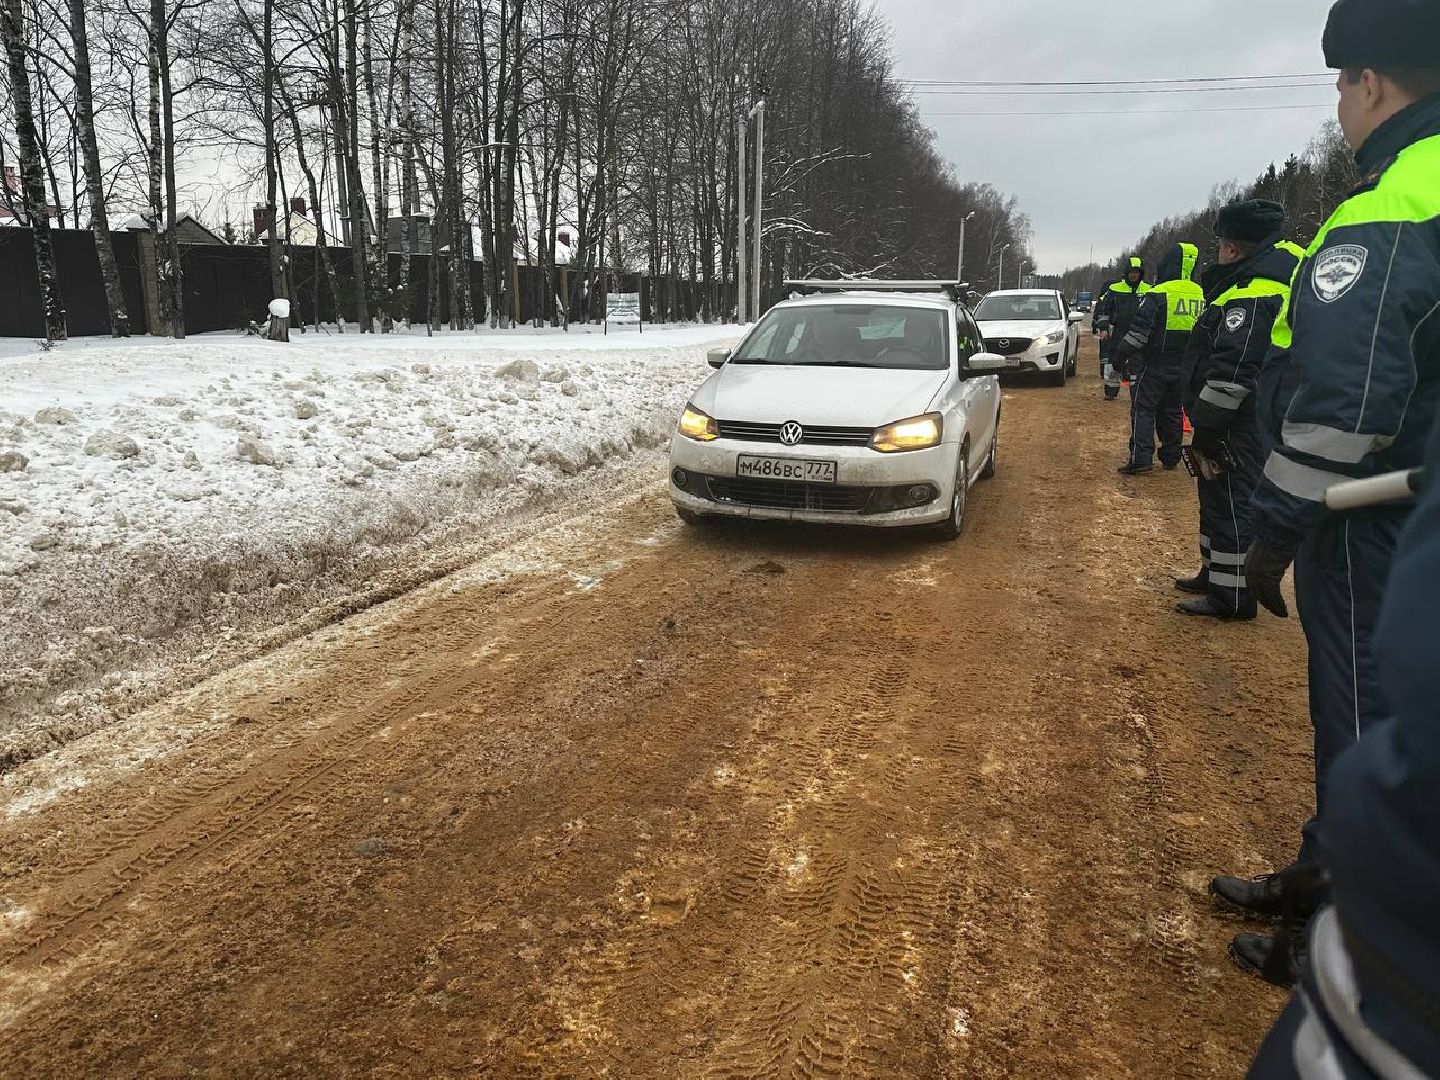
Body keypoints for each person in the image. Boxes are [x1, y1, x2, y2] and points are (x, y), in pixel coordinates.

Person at [1214, 0, 1440, 992]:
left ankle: (1342, 950)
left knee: (1366, 729)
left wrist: (1273, 529)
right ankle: (1322, 875)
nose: (1341, 110)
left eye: (1341, 88)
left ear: (1372, 83)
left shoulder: (1393, 204)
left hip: (1379, 523)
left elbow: (1344, 410)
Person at [1173, 203, 1303, 620]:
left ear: (1232, 249)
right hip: (1243, 418)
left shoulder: (1251, 294)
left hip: (1239, 422)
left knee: (1231, 501)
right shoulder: (1262, 285)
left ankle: (1231, 598)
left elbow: (1233, 372)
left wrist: (1208, 427)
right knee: (1215, 496)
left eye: (1220, 246)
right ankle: (1214, 573)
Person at [1114, 242, 1204, 474]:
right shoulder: (1201, 294)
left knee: (1143, 409)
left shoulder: (1158, 294)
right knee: (1173, 410)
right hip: (1184, 367)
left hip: (1154, 364)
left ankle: (1141, 458)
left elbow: (1139, 333)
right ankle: (1171, 456)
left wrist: (1120, 357)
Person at [1093, 256, 1150, 400]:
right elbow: (1104, 310)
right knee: (1114, 363)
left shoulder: (1149, 290)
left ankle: (1136, 394)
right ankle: (1111, 392)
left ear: (1141, 273)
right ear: (1126, 272)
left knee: (1137, 365)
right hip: (1118, 332)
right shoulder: (1115, 289)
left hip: (1139, 332)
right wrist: (1104, 329)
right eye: (1131, 272)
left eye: (1137, 272)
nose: (1133, 275)